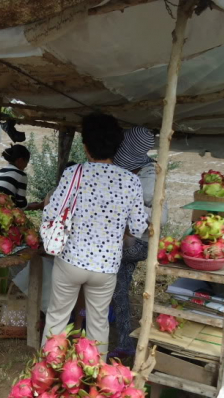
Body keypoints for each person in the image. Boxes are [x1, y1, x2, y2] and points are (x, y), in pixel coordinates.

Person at [41, 113, 147, 354]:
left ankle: (46, 377)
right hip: (106, 267)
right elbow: (139, 227)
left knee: (57, 319)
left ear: (85, 145)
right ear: (117, 146)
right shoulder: (130, 180)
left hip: (71, 261)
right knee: (98, 324)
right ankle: (96, 379)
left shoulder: (74, 174)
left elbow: (52, 213)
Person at [108, 125, 167, 358]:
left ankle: (93, 316)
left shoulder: (150, 177)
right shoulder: (135, 171)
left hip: (142, 243)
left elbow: (161, 216)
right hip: (129, 241)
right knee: (119, 287)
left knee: (97, 264)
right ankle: (124, 342)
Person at [0, 145, 43, 210]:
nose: (26, 166)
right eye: (26, 163)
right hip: (3, 211)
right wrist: (38, 206)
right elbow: (21, 205)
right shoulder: (21, 175)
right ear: (20, 161)